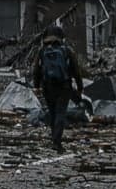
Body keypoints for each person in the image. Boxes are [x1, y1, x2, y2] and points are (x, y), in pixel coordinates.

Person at [30, 22, 84, 153]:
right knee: (61, 112)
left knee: (52, 112)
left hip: (47, 86)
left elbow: (36, 70)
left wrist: (36, 86)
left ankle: (54, 138)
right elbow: (76, 70)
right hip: (64, 86)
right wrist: (80, 86)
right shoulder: (66, 50)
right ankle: (57, 141)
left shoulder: (42, 51)